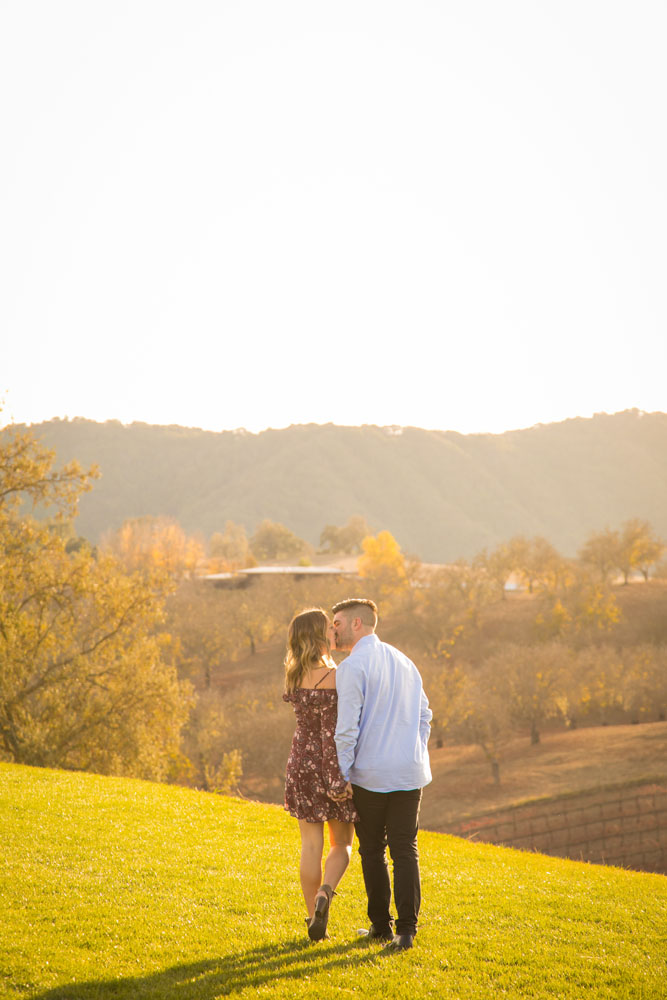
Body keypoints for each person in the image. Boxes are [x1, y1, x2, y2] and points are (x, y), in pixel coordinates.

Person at [332, 598, 432, 952]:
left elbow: (346, 730)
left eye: (338, 623)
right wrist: (413, 752)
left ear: (358, 624)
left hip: (370, 774)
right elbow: (425, 716)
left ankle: (381, 927)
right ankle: (406, 932)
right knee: (406, 850)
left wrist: (343, 774)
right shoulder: (406, 662)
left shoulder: (352, 667)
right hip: (410, 771)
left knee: (372, 850)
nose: (333, 630)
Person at [282, 607, 357, 941]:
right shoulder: (339, 677)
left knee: (310, 845)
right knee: (341, 844)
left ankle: (313, 916)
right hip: (332, 766)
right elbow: (337, 732)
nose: (333, 632)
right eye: (329, 628)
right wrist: (341, 776)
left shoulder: (294, 675)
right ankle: (326, 891)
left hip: (300, 765)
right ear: (318, 634)